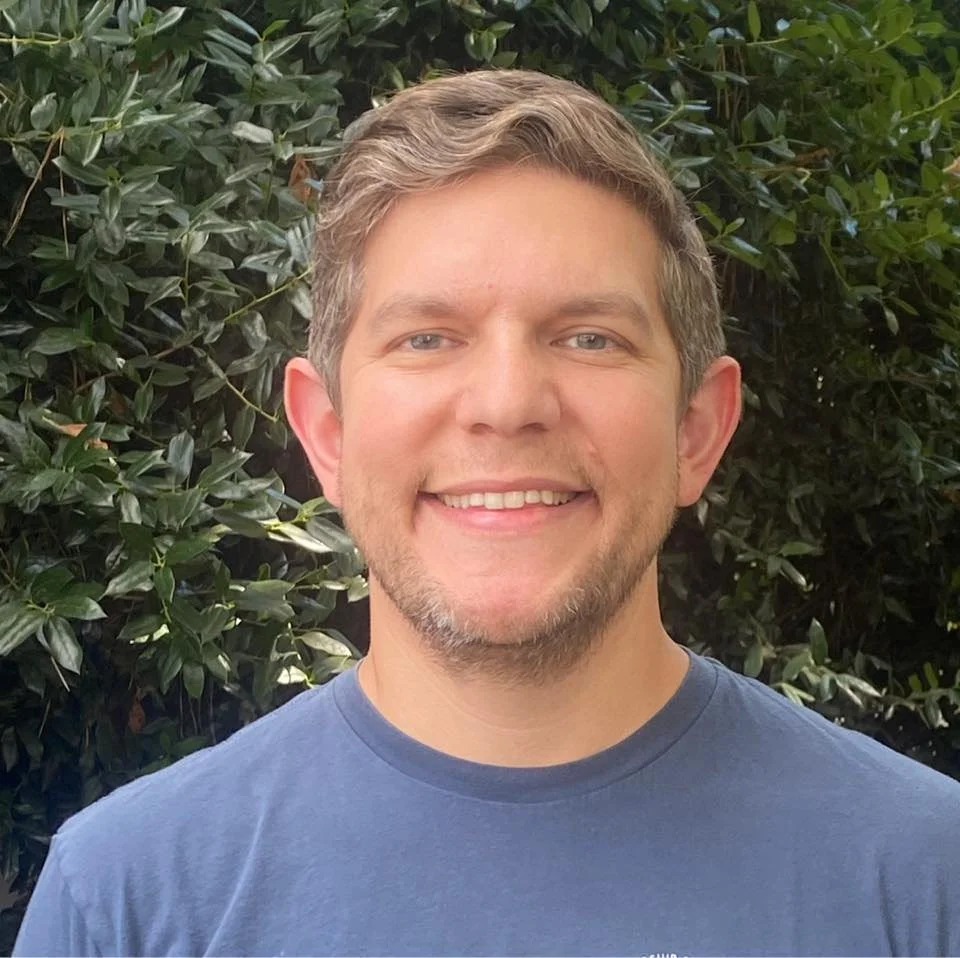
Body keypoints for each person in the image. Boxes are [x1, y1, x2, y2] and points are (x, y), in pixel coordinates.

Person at [14, 68, 960, 957]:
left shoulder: (923, 878)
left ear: (696, 430)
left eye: (589, 338)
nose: (507, 405)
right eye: (427, 339)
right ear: (327, 433)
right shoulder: (128, 901)